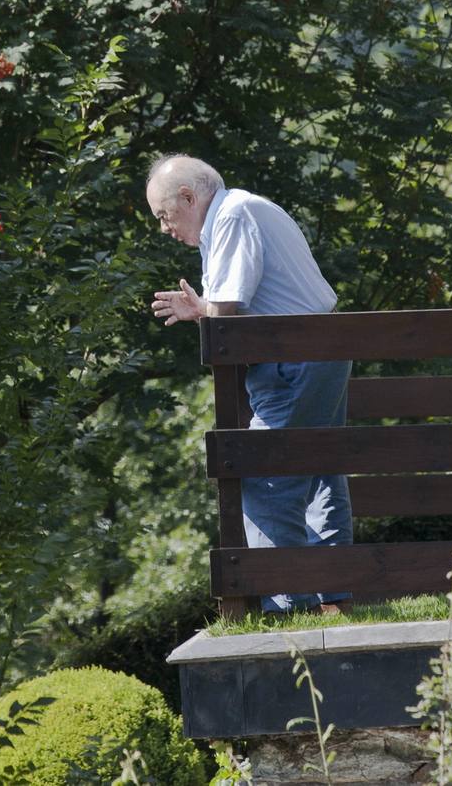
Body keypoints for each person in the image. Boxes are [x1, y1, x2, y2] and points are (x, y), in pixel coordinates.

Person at [145, 154, 353, 615]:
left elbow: (229, 311)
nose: (164, 227)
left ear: (187, 197)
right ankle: (332, 600)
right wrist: (206, 312)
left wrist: (210, 314)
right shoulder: (240, 210)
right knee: (320, 473)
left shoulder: (233, 215)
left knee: (262, 477)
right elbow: (236, 307)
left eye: (164, 215)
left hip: (293, 360)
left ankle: (290, 606)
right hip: (318, 351)